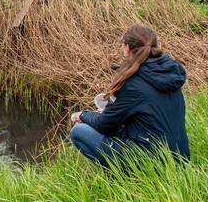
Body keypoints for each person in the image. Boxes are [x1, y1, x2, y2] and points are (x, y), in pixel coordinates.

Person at [69, 25, 189, 169]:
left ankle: (120, 175)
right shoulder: (169, 73)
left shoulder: (133, 83)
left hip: (156, 164)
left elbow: (105, 126)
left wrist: (83, 115)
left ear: (127, 48)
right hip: (181, 158)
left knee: (79, 131)